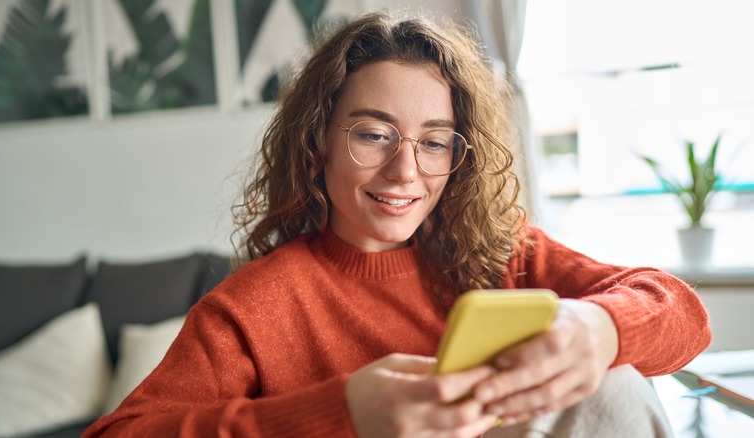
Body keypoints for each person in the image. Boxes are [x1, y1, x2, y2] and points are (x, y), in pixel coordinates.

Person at [84, 10, 711, 438]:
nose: (405, 171)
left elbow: (683, 315)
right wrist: (343, 412)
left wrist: (599, 329)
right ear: (317, 142)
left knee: (618, 383)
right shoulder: (250, 311)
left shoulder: (502, 252)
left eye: (434, 142)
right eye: (374, 135)